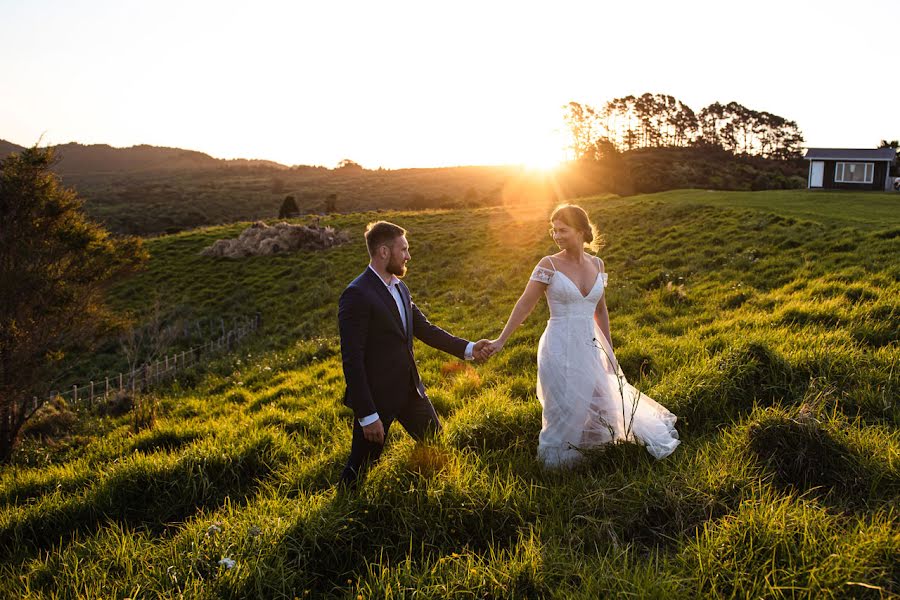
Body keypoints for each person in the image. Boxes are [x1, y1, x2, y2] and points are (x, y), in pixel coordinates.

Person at [487, 204, 679, 467]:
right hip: (559, 345)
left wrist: (609, 352)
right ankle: (556, 467)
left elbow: (600, 309)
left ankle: (600, 457)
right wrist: (501, 340)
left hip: (590, 344)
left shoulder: (598, 264)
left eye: (563, 230)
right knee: (566, 408)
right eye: (554, 231)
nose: (556, 236)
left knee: (605, 403)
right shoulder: (549, 264)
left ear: (580, 231)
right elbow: (524, 304)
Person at [338, 221, 492, 486]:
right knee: (359, 470)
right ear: (384, 252)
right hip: (377, 401)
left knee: (437, 445)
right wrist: (367, 414)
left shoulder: (400, 287)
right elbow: (352, 360)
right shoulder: (357, 294)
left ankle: (436, 495)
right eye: (404, 250)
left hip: (411, 391)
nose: (408, 256)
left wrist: (468, 348)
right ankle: (336, 518)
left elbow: (425, 329)